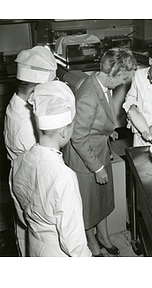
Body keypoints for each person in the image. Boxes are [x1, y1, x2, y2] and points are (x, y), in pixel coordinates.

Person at [63, 48, 137, 256]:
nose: (124, 82)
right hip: (85, 160)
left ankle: (103, 236)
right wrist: (97, 168)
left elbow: (98, 119)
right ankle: (92, 243)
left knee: (101, 200)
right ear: (112, 72)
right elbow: (77, 137)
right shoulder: (89, 94)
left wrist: (108, 131)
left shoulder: (102, 84)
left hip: (99, 149)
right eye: (123, 77)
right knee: (88, 205)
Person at [9, 81, 92, 257]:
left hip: (34, 244)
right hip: (57, 252)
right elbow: (74, 243)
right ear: (64, 131)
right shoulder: (64, 176)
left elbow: (21, 214)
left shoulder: (18, 162)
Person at [3, 45, 57, 256]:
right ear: (36, 87)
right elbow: (39, 166)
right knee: (37, 242)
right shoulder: (24, 122)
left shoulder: (17, 103)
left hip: (21, 178)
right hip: (31, 185)